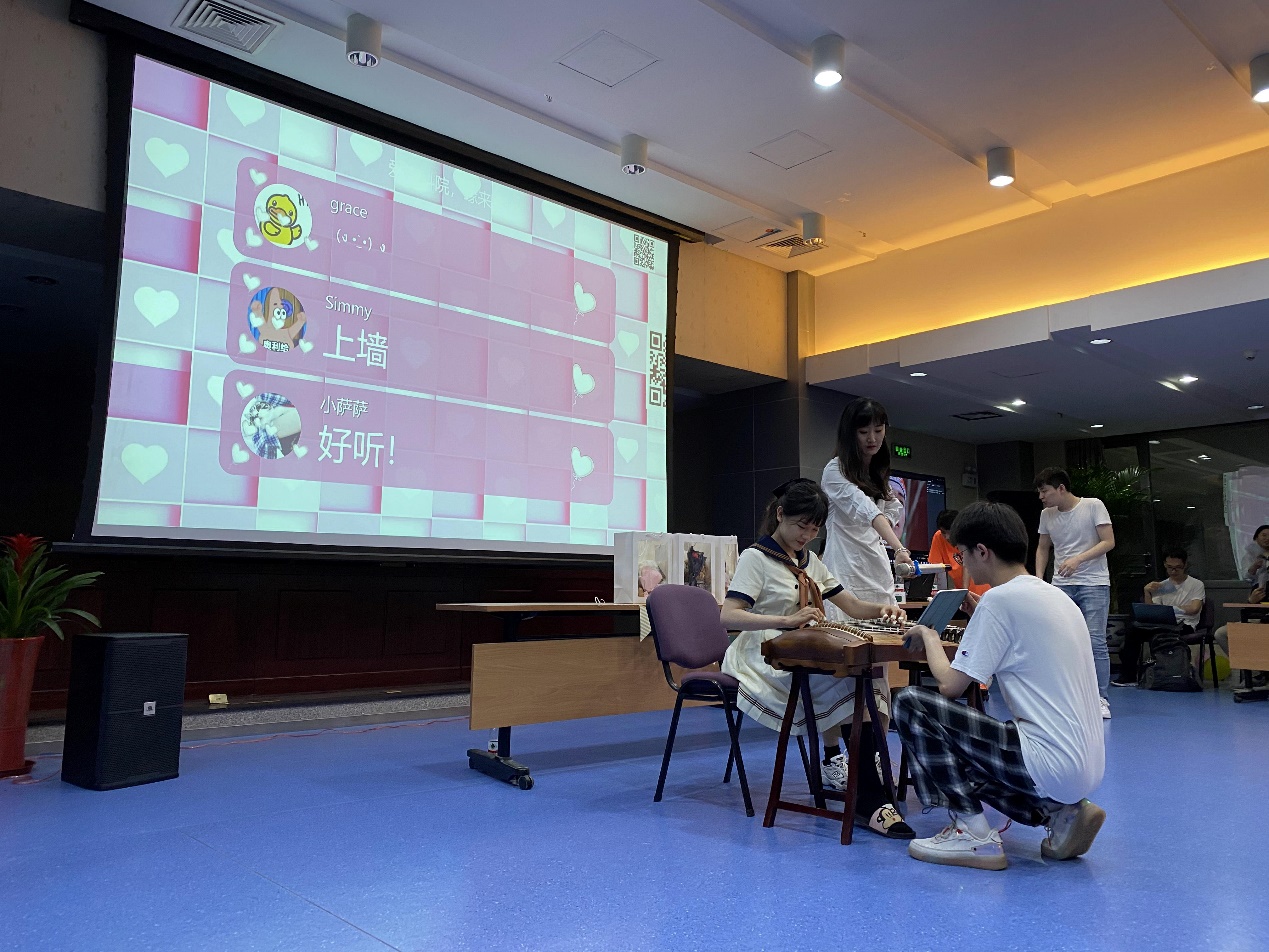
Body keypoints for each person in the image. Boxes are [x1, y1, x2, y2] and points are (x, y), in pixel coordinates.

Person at [892, 501, 1107, 871]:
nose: (962, 563)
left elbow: (949, 685)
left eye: (962, 554)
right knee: (972, 745)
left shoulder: (999, 600)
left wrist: (928, 635)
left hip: (1049, 763)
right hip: (1084, 765)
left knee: (910, 704)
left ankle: (972, 833)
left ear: (982, 551)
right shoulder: (1052, 595)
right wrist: (981, 613)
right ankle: (1058, 813)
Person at [721, 478, 915, 839]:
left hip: (801, 648)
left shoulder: (809, 560)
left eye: (814, 530)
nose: (806, 536)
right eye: (801, 526)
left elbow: (850, 604)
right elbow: (728, 616)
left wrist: (883, 609)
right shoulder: (756, 557)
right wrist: (785, 620)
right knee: (851, 684)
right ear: (780, 515)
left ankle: (867, 789)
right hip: (762, 654)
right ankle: (869, 794)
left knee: (869, 680)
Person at [821, 398, 915, 622]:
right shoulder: (835, 470)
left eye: (878, 430)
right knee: (847, 634)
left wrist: (882, 530)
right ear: (850, 434)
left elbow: (893, 506)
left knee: (886, 631)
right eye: (863, 432)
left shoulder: (876, 471)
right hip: (846, 565)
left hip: (876, 565)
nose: (872, 438)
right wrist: (899, 548)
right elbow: (867, 510)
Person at [1034, 466, 1116, 719]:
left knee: (1095, 641)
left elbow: (1108, 541)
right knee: (1059, 641)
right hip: (1061, 585)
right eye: (1040, 492)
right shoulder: (1047, 514)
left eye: (1045, 491)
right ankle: (1064, 697)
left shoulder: (1093, 505)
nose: (1041, 497)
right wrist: (1039, 580)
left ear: (1061, 488)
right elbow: (1043, 548)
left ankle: (1100, 698)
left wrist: (1078, 559)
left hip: (1094, 583)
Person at [1111, 548, 1205, 686]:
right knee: (1133, 631)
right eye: (1170, 567)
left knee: (1160, 633)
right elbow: (1151, 610)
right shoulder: (1162, 586)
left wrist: (1171, 609)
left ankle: (1166, 674)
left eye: (1178, 567)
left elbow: (1194, 608)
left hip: (1184, 624)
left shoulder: (1196, 584)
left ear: (1185, 565)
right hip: (1162, 623)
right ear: (1165, 565)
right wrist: (1147, 592)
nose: (1173, 571)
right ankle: (1129, 676)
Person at [928, 509, 990, 598]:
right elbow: (935, 566)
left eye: (950, 532)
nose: (947, 537)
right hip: (963, 593)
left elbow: (967, 565)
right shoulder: (938, 537)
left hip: (985, 591)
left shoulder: (969, 535)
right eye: (943, 532)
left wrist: (964, 592)